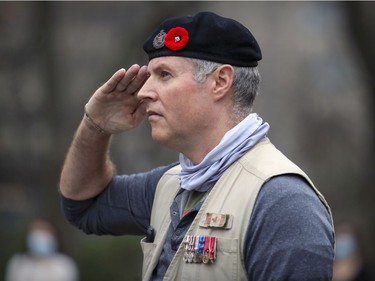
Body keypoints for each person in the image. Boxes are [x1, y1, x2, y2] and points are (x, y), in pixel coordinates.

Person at [59, 11, 335, 280]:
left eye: (164, 75)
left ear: (220, 81)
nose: (143, 92)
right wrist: (95, 126)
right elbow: (83, 205)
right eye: (148, 77)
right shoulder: (173, 183)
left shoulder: (283, 201)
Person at [5, 218, 79, 281]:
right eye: (36, 230)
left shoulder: (64, 263)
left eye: (45, 231)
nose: (40, 236)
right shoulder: (18, 263)